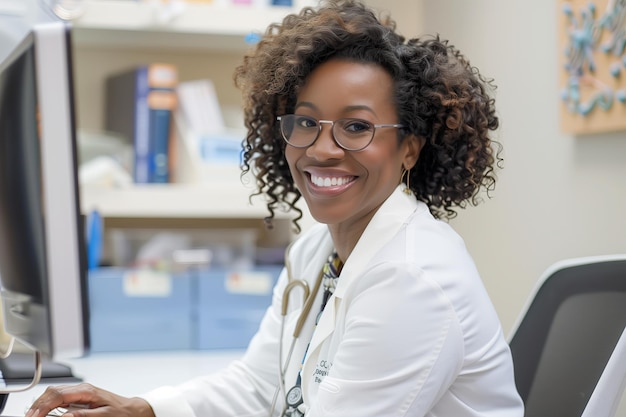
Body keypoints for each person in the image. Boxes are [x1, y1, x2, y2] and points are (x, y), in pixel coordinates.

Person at [26, 1, 524, 416]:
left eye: (356, 127)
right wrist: (146, 409)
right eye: (305, 122)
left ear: (410, 148)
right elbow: (259, 384)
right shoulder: (315, 251)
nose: (322, 149)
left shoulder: (412, 278)